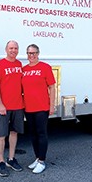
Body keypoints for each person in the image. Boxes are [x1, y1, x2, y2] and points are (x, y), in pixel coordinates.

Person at [0, 40, 24, 177]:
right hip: (3, 107)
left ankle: (11, 159)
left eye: (16, 48)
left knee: (14, 132)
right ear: (6, 49)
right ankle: (1, 161)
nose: (13, 50)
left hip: (18, 106)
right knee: (1, 135)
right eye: (11, 48)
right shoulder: (0, 65)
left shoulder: (19, 64)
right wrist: (0, 104)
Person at [22, 44, 56, 174]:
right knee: (33, 134)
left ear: (38, 53)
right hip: (28, 107)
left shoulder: (45, 67)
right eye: (29, 53)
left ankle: (42, 161)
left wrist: (51, 105)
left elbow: (52, 87)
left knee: (41, 133)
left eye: (34, 53)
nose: (32, 55)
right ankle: (37, 157)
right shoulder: (24, 69)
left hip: (42, 107)